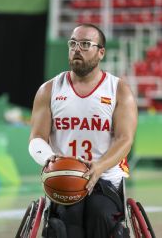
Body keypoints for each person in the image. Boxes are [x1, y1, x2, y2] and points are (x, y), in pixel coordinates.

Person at [29, 23, 138, 238]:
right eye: (73, 43)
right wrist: (50, 158)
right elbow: (36, 137)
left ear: (101, 52)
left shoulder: (119, 90)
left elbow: (125, 139)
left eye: (85, 44)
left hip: (105, 179)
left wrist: (99, 167)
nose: (77, 48)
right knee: (66, 223)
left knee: (100, 214)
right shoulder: (49, 89)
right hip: (65, 178)